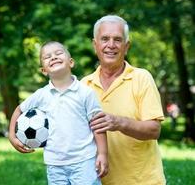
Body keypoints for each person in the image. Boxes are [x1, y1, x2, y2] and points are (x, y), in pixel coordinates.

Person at [81, 15, 166, 185]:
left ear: (126, 47)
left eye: (117, 40)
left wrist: (118, 122)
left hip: (143, 181)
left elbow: (154, 130)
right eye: (105, 39)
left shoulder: (141, 78)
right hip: (97, 181)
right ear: (95, 45)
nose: (111, 45)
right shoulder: (83, 86)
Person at [9, 41, 108, 185]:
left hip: (84, 161)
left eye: (59, 53)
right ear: (44, 70)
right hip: (54, 163)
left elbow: (98, 125)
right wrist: (12, 136)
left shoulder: (85, 93)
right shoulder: (41, 95)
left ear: (71, 62)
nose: (53, 57)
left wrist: (103, 154)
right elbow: (19, 110)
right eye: (47, 56)